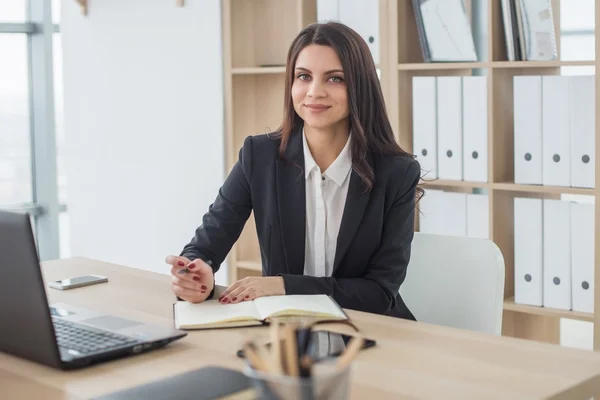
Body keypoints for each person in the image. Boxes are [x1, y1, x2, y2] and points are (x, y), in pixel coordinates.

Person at [165, 21, 423, 320]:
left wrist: (284, 285)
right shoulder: (258, 156)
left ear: (360, 86)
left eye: (335, 79)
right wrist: (197, 275)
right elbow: (205, 246)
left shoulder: (397, 173)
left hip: (372, 331)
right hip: (287, 331)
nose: (315, 92)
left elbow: (379, 293)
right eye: (303, 76)